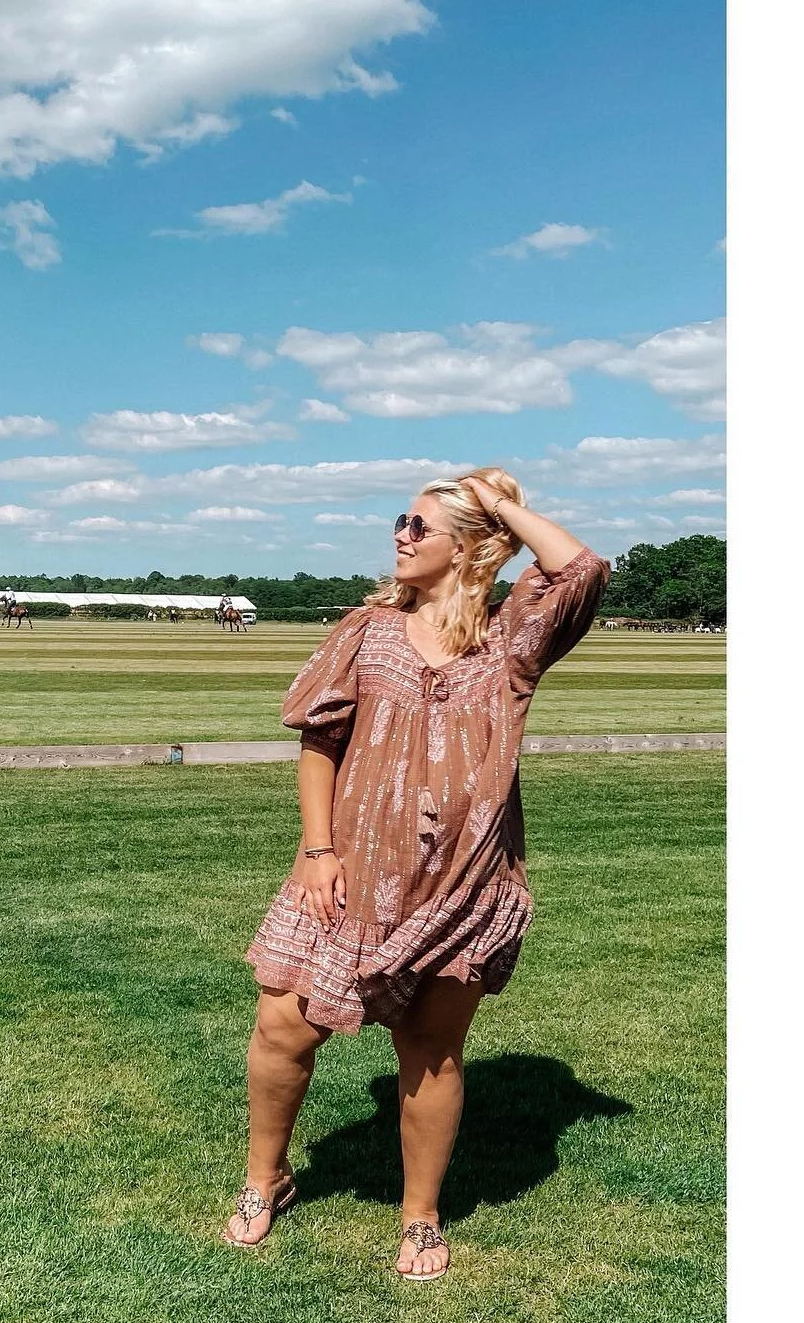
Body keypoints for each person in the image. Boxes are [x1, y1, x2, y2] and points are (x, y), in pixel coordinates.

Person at [223, 468, 609, 1280]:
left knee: (430, 1049)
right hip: (348, 873)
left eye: (419, 524)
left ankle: (422, 1217)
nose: (399, 533)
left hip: (463, 882)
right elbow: (320, 744)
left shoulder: (513, 640)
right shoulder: (366, 631)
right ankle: (267, 1179)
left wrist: (500, 506)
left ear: (470, 548)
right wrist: (319, 850)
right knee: (283, 1027)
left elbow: (580, 569)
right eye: (400, 519)